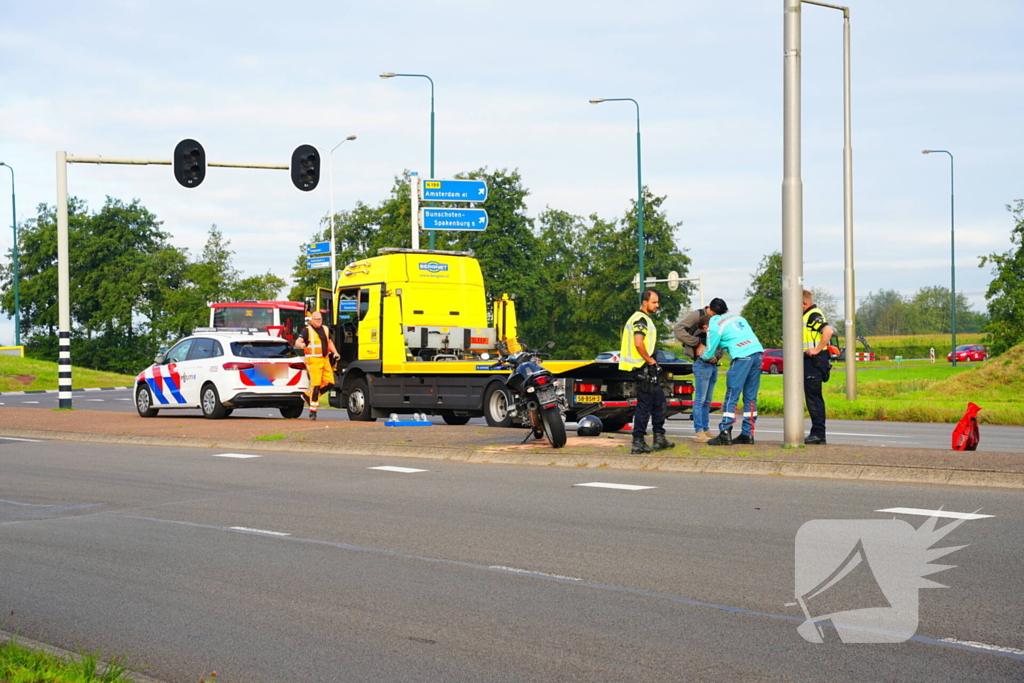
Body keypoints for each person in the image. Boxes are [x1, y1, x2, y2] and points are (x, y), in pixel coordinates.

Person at [619, 290, 675, 454]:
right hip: (643, 369)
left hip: (645, 369)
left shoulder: (642, 319)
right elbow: (638, 343)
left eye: (657, 302)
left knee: (659, 403)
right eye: (654, 302)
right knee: (644, 407)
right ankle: (638, 442)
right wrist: (650, 360)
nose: (657, 305)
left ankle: (659, 438)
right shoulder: (641, 320)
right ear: (645, 302)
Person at [700, 309, 764, 445]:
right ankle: (748, 434)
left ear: (705, 327)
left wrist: (702, 357)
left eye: (704, 331)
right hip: (758, 353)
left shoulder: (714, 327)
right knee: (751, 397)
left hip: (741, 357)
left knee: (732, 394)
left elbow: (709, 352)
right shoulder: (736, 318)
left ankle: (725, 433)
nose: (705, 334)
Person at [673, 298, 728, 443]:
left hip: (713, 364)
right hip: (700, 361)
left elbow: (719, 338)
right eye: (713, 313)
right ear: (708, 308)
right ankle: (699, 431)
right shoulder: (696, 315)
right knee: (700, 399)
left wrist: (717, 356)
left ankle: (705, 428)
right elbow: (678, 329)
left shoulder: (717, 321)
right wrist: (696, 343)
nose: (714, 317)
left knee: (707, 400)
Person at [803, 290, 834, 445]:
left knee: (814, 398)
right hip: (808, 360)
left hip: (813, 360)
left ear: (804, 303)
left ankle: (818, 434)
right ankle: (817, 433)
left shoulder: (812, 314)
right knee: (811, 397)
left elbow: (828, 331)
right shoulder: (805, 315)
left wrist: (817, 349)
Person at [295, 311, 339, 420]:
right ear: (312, 320)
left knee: (330, 383)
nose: (318, 321)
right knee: (316, 384)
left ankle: (307, 396)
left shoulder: (325, 329)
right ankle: (313, 411)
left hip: (325, 359)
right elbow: (297, 342)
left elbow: (329, 342)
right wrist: (302, 345)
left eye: (320, 319)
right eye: (316, 319)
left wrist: (335, 352)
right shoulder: (307, 331)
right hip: (313, 360)